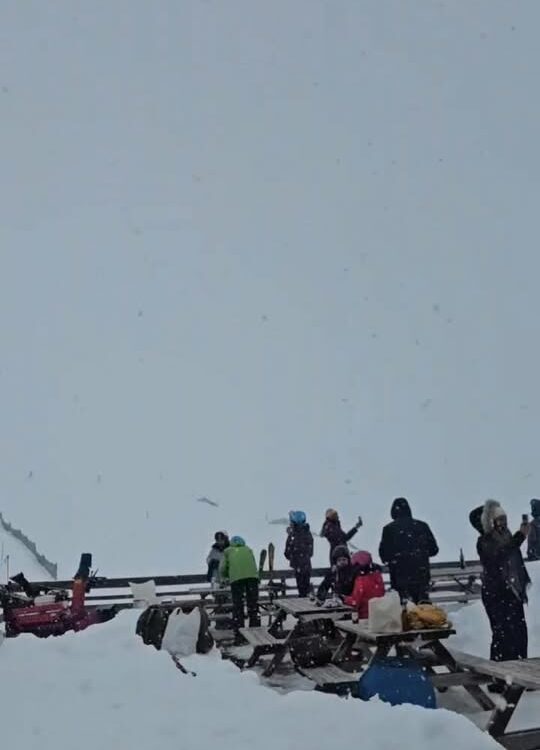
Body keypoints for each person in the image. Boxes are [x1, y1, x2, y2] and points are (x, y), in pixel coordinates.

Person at [470, 500, 530, 674]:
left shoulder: (506, 537)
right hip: (496, 594)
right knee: (502, 635)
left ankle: (520, 670)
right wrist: (520, 537)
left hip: (511, 592)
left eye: (505, 519)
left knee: (518, 632)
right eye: (499, 519)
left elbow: (511, 557)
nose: (503, 523)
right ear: (491, 522)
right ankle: (500, 675)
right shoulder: (485, 540)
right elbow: (497, 556)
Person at [378, 497, 439, 604]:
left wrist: (397, 557)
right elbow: (434, 549)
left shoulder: (389, 529)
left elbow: (384, 555)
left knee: (405, 608)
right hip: (421, 574)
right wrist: (420, 554)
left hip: (400, 576)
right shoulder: (422, 526)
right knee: (423, 607)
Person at [219, 535, 260, 632]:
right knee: (253, 604)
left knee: (238, 605)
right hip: (252, 578)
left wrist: (225, 577)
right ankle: (255, 629)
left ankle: (239, 632)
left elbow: (222, 568)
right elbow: (253, 564)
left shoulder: (228, 551)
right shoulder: (248, 549)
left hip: (237, 580)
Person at [343, 550, 385, 619]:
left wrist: (344, 599)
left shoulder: (361, 581)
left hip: (364, 616)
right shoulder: (378, 577)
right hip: (378, 615)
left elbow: (355, 602)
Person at [284, 511, 314, 597]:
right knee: (305, 588)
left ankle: (304, 603)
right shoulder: (307, 533)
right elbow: (310, 552)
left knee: (302, 590)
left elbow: (287, 552)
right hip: (306, 564)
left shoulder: (293, 535)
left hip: (298, 565)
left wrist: (293, 558)